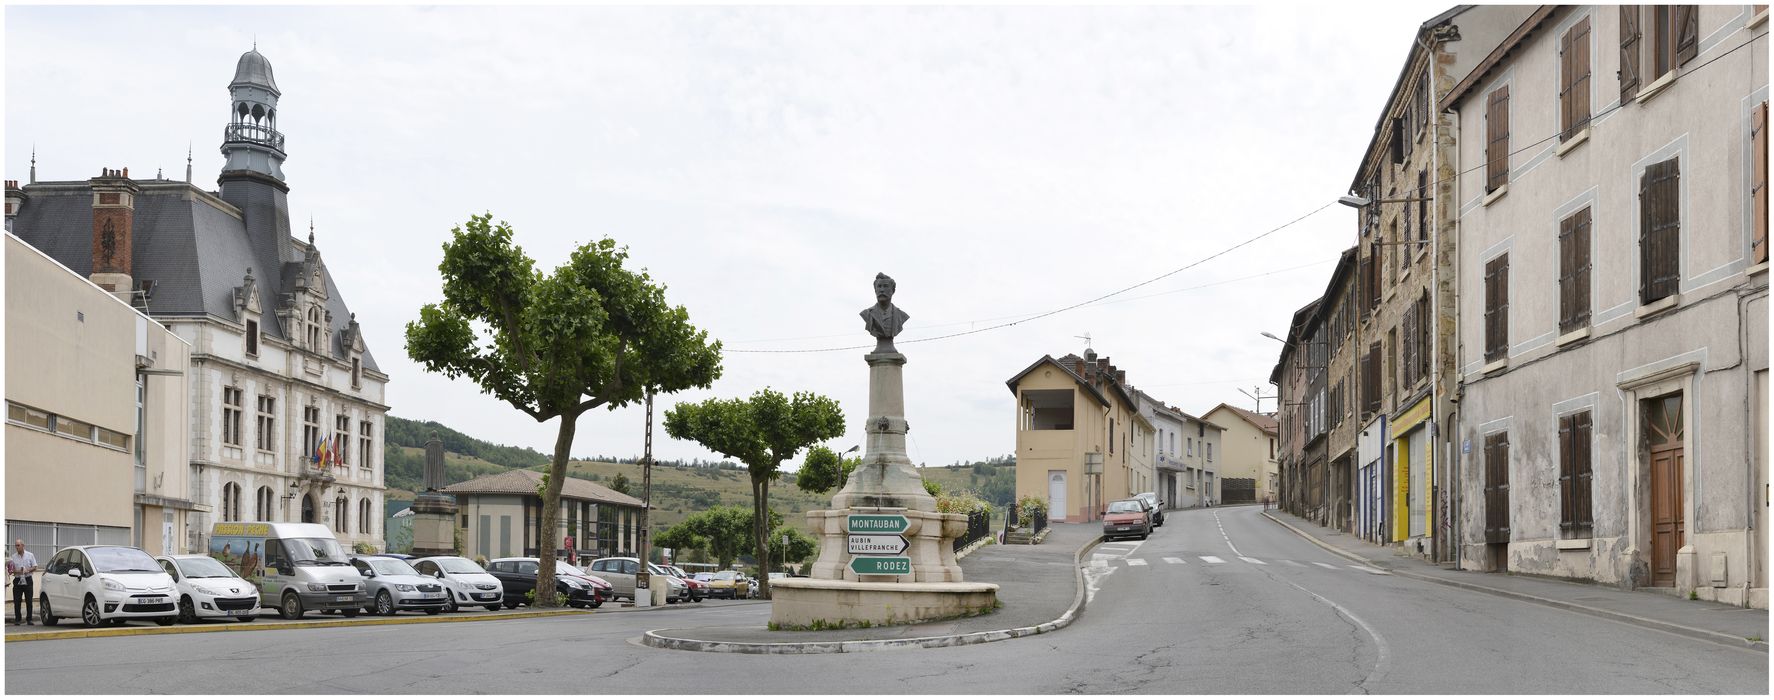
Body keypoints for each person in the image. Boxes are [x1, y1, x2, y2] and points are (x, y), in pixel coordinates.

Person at [8, 540, 39, 625]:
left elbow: (35, 566)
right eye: (16, 546)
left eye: (18, 545)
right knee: (17, 601)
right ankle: (18, 619)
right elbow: (11, 570)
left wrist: (27, 570)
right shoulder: (13, 557)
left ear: (23, 545)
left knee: (29, 600)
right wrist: (19, 571)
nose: (16, 547)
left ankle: (29, 619)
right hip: (18, 580)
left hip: (27, 579)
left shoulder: (30, 555)